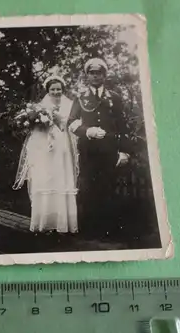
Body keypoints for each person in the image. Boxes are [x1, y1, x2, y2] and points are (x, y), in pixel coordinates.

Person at [67, 58, 131, 238]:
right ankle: (89, 231)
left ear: (105, 75)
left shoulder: (115, 97)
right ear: (87, 75)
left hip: (110, 150)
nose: (95, 76)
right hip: (88, 151)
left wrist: (124, 151)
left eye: (99, 73)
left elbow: (123, 125)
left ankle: (109, 231)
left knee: (109, 188)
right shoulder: (80, 98)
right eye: (92, 73)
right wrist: (88, 131)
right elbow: (71, 123)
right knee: (88, 188)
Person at [13, 75, 79, 233]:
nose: (56, 92)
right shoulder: (40, 106)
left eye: (59, 89)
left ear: (63, 90)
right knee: (46, 180)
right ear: (48, 91)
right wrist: (41, 122)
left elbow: (71, 124)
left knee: (61, 179)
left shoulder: (69, 105)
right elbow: (35, 130)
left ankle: (63, 223)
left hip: (62, 147)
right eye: (53, 89)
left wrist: (57, 120)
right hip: (46, 149)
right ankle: (44, 223)